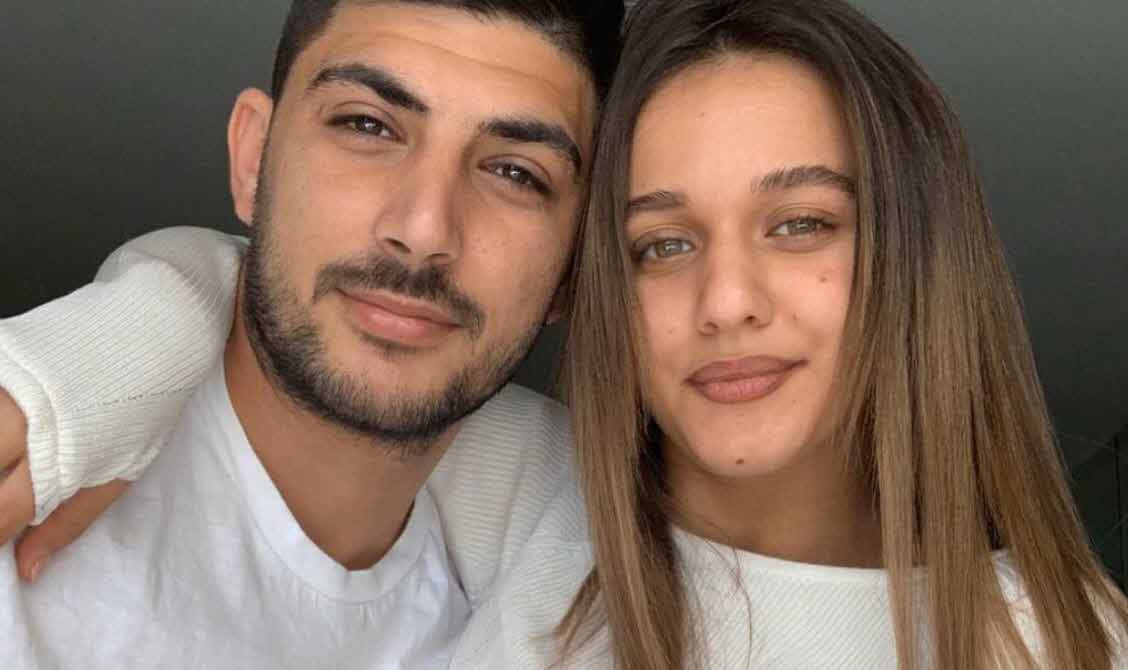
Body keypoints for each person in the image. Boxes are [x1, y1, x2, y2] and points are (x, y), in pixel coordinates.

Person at [1, 0, 1125, 668]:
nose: (728, 300)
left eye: (800, 223)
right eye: (663, 241)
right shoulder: (558, 500)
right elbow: (309, 325)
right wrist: (87, 370)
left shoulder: (1068, 643)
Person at [0, 0, 624, 667]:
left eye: (515, 173)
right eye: (367, 125)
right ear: (253, 159)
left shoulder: (579, 575)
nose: (423, 230)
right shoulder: (24, 463)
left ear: (575, 266)